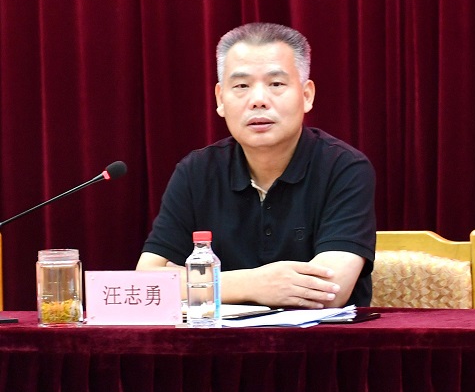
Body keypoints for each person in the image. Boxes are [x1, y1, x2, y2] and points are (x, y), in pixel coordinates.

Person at [136, 22, 376, 308]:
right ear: (220, 99)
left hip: (321, 337)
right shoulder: (196, 172)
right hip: (217, 337)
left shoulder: (344, 168)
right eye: (241, 86)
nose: (258, 100)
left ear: (306, 96)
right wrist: (256, 283)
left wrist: (195, 283)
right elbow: (147, 283)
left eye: (276, 84)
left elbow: (328, 292)